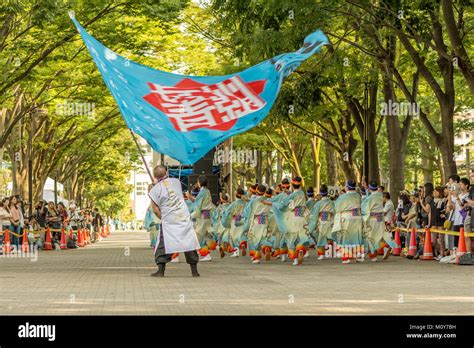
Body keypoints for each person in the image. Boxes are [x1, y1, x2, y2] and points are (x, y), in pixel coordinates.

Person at [148, 165, 200, 277]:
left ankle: (161, 271)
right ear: (166, 172)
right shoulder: (176, 182)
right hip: (183, 216)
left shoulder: (154, 190)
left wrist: (163, 218)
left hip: (169, 219)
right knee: (188, 242)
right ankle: (194, 271)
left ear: (154, 176)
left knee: (164, 243)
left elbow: (156, 209)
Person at [270, 176, 310, 266]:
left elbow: (281, 206)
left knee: (291, 238)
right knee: (301, 236)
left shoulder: (289, 196)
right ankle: (300, 249)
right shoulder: (302, 193)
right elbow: (294, 195)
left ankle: (294, 259)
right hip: (302, 218)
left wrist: (271, 203)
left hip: (292, 218)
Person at [362, 180, 397, 262]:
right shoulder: (380, 196)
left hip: (372, 219)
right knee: (379, 236)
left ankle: (373, 256)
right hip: (380, 219)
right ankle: (385, 247)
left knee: (371, 237)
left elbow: (365, 208)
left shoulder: (369, 198)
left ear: (370, 188)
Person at [331, 180, 363, 264]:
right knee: (356, 236)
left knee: (346, 237)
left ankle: (347, 257)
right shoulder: (358, 196)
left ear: (347, 187)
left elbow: (336, 208)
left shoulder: (342, 197)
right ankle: (357, 255)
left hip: (347, 217)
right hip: (357, 217)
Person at [239, 184, 271, 264]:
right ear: (264, 192)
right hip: (265, 219)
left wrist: (242, 216)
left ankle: (256, 257)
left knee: (253, 237)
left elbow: (247, 211)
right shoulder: (267, 200)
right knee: (263, 236)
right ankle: (266, 247)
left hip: (256, 220)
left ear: (257, 191)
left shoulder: (253, 201)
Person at [188, 175, 215, 261]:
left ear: (199, 182)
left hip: (202, 216)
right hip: (206, 215)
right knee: (205, 235)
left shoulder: (203, 192)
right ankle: (206, 253)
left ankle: (204, 253)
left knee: (198, 235)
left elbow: (197, 204)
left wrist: (189, 197)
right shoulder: (207, 191)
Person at [308, 184, 335, 260]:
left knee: (321, 237)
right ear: (327, 192)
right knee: (330, 237)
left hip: (322, 221)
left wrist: (313, 225)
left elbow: (314, 216)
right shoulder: (332, 202)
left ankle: (321, 254)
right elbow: (335, 213)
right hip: (330, 221)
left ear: (320, 193)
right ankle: (331, 252)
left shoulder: (318, 203)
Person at [221, 188, 247, 257]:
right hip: (242, 220)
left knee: (234, 235)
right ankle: (242, 244)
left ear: (236, 195)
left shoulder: (234, 204)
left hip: (235, 220)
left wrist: (223, 214)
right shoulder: (245, 203)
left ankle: (236, 251)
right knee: (241, 234)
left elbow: (227, 212)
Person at [145, 184, 160, 249]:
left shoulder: (155, 196)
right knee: (154, 233)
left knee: (155, 233)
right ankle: (156, 245)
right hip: (154, 219)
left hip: (156, 219)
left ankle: (156, 246)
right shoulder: (154, 196)